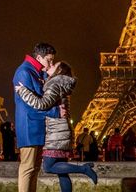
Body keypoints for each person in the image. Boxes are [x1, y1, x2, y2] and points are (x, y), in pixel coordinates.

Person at [15, 61, 97, 192]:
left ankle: (83, 169)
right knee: (62, 173)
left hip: (56, 133)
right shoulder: (64, 85)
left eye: (53, 65)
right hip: (63, 131)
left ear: (58, 71)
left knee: (48, 167)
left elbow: (42, 104)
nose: (50, 65)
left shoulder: (54, 84)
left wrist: (23, 92)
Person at [13, 43, 62, 192]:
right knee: (28, 168)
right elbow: (32, 105)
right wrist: (55, 112)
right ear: (39, 57)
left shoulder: (34, 72)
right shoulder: (24, 72)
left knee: (33, 169)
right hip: (30, 126)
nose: (51, 64)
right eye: (49, 60)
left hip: (36, 125)